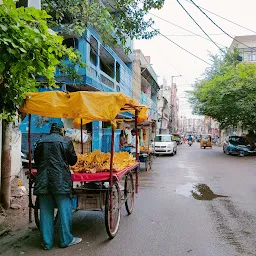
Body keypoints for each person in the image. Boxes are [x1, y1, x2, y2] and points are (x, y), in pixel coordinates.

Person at [34, 123, 82, 250]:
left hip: (43, 180)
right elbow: (73, 160)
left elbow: (36, 161)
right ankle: (65, 240)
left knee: (45, 212)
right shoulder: (65, 141)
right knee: (64, 210)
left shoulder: (40, 142)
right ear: (61, 131)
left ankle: (47, 243)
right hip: (60, 181)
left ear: (50, 131)